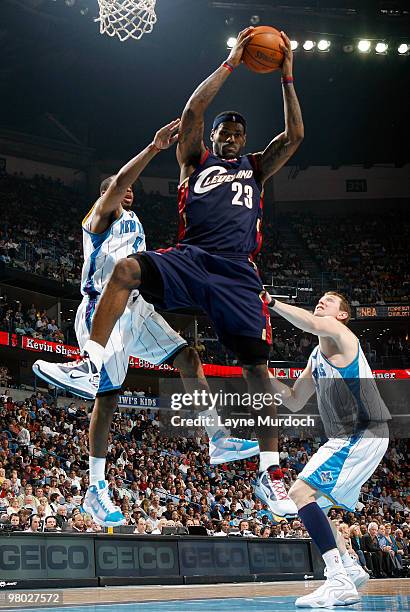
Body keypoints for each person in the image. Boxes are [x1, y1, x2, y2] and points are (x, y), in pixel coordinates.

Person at [33, 28, 303, 518]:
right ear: (214, 136)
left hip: (234, 274)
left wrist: (286, 74)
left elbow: (295, 137)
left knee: (217, 362)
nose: (232, 136)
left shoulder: (255, 168)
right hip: (177, 263)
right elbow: (191, 116)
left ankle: (255, 461)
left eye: (239, 133)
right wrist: (231, 62)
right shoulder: (180, 169)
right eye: (226, 131)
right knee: (125, 274)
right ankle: (87, 365)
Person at [32, 120, 257, 527]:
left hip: (137, 309)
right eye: (120, 188)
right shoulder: (98, 218)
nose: (128, 190)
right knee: (109, 396)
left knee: (188, 356)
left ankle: (217, 437)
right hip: (104, 309)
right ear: (105, 195)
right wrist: (154, 149)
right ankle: (95, 488)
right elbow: (118, 183)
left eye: (130, 189)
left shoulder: (135, 221)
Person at [268, 291, 390, 607]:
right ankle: (349, 567)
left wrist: (271, 303)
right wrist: (262, 375)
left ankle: (338, 580)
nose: (321, 302)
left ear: (341, 315)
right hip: (353, 437)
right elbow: (293, 400)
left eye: (330, 301)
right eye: (320, 299)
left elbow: (310, 324)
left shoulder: (342, 334)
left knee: (299, 493)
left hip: (362, 432)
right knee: (315, 506)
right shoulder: (316, 358)